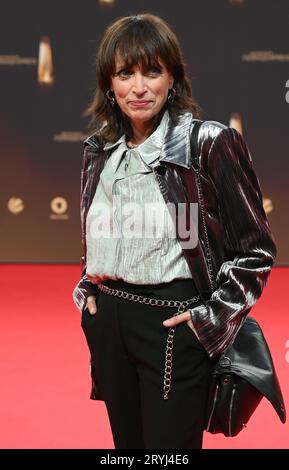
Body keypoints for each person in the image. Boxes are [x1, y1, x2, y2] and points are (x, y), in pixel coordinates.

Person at [73, 13, 276, 449]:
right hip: (109, 324)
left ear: (173, 79)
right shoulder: (99, 153)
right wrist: (87, 291)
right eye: (125, 73)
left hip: (174, 326)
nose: (139, 87)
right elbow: (103, 238)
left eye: (152, 71)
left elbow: (255, 251)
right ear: (110, 84)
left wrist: (208, 321)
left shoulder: (208, 143)